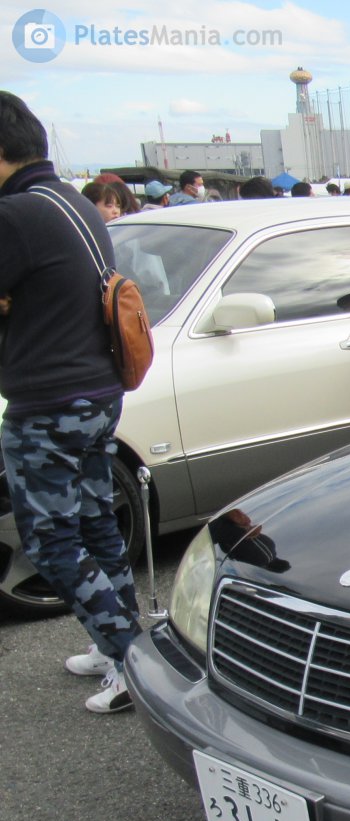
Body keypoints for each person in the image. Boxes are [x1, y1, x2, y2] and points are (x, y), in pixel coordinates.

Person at [0, 92, 141, 713]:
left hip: (48, 402)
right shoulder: (75, 203)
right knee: (96, 526)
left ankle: (130, 658)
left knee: (53, 543)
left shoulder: (15, 215)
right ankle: (116, 647)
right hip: (96, 394)